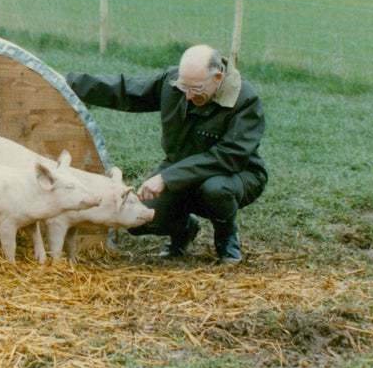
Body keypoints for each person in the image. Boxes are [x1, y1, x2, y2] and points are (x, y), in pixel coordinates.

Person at [65, 44, 267, 265]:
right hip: (180, 168)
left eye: (196, 89)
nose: (187, 95)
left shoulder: (245, 100)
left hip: (234, 174)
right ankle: (184, 228)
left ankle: (227, 240)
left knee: (216, 190)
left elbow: (229, 157)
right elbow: (128, 90)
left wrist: (167, 178)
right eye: (183, 87)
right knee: (138, 218)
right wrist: (70, 83)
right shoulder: (174, 82)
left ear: (218, 78)